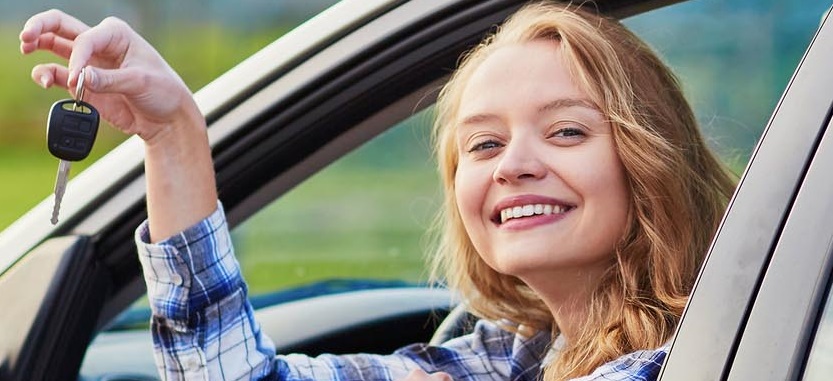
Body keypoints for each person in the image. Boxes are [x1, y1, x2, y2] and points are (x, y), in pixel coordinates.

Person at [19, 2, 735, 380]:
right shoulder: (514, 357)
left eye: (566, 132)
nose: (511, 164)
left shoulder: (692, 356)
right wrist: (174, 136)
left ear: (648, 159)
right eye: (483, 144)